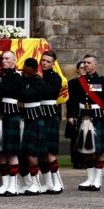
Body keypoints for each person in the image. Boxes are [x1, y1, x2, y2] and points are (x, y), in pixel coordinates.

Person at [67, 54, 104, 191]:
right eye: (84, 62)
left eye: (88, 62)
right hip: (84, 118)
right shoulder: (77, 82)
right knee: (86, 150)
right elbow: (72, 101)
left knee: (98, 150)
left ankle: (97, 180)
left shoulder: (103, 81)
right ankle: (90, 178)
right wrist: (71, 115)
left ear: (95, 65)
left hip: (98, 118)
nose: (86, 65)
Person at [0, 50, 23, 196]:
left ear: (14, 60)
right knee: (1, 151)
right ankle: (5, 184)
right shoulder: (0, 75)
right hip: (0, 116)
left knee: (11, 151)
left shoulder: (17, 76)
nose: (4, 61)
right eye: (2, 58)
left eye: (7, 58)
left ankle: (14, 185)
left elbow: (6, 89)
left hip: (11, 115)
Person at [19, 58, 49, 195]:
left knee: (33, 153)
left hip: (35, 119)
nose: (24, 69)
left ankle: (37, 184)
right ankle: (30, 183)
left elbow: (28, 95)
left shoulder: (39, 82)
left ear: (33, 68)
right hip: (26, 119)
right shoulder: (24, 80)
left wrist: (20, 96)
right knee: (25, 152)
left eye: (26, 67)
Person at [39, 51, 65, 193]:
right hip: (39, 114)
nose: (44, 63)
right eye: (43, 60)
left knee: (50, 151)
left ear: (53, 63)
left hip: (50, 114)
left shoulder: (55, 77)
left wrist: (39, 81)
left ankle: (58, 182)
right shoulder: (38, 76)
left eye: (48, 61)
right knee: (41, 152)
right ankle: (48, 183)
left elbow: (47, 92)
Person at [65, 61, 86, 169]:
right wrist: (70, 115)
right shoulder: (72, 83)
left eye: (85, 67)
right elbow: (70, 101)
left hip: (87, 113)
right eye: (81, 68)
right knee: (76, 138)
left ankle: (87, 161)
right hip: (76, 113)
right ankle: (76, 161)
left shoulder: (92, 82)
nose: (84, 69)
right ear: (77, 69)